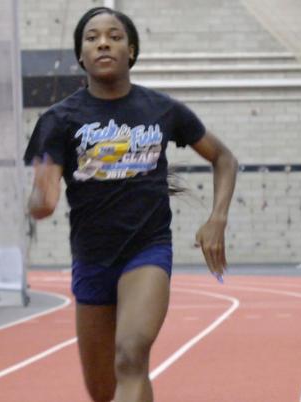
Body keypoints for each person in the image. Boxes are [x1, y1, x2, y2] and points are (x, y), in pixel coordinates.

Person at [23, 7, 238, 402]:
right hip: (91, 260)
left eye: (114, 35)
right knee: (104, 390)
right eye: (92, 37)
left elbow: (224, 158)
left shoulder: (161, 110)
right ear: (81, 56)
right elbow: (43, 198)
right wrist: (39, 201)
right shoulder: (59, 120)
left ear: (131, 50)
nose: (103, 42)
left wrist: (217, 219)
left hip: (147, 252)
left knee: (131, 355)